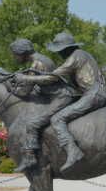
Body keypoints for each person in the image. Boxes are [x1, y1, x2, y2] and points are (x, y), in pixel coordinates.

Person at [13, 33, 106, 174]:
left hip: (95, 93)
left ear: (64, 49)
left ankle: (73, 150)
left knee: (57, 118)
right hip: (100, 92)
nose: (58, 54)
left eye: (59, 51)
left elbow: (53, 77)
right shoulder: (81, 55)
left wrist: (24, 78)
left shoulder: (75, 57)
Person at [7, 38, 77, 173]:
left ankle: (29, 157)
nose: (14, 57)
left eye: (14, 54)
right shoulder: (42, 59)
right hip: (63, 94)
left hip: (62, 97)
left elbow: (25, 91)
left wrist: (11, 88)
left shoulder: (36, 64)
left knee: (32, 123)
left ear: (20, 53)